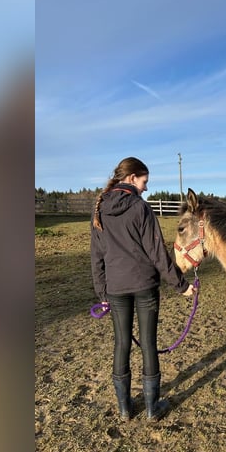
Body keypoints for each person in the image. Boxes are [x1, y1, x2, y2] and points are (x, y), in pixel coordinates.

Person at [91, 157, 195, 421]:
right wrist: (180, 285)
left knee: (122, 344)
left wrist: (102, 293)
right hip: (145, 286)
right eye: (144, 181)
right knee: (148, 343)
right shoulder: (140, 207)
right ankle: (151, 409)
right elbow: (157, 252)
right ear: (132, 178)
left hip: (115, 289)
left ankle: (125, 410)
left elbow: (97, 256)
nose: (146, 188)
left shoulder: (100, 209)